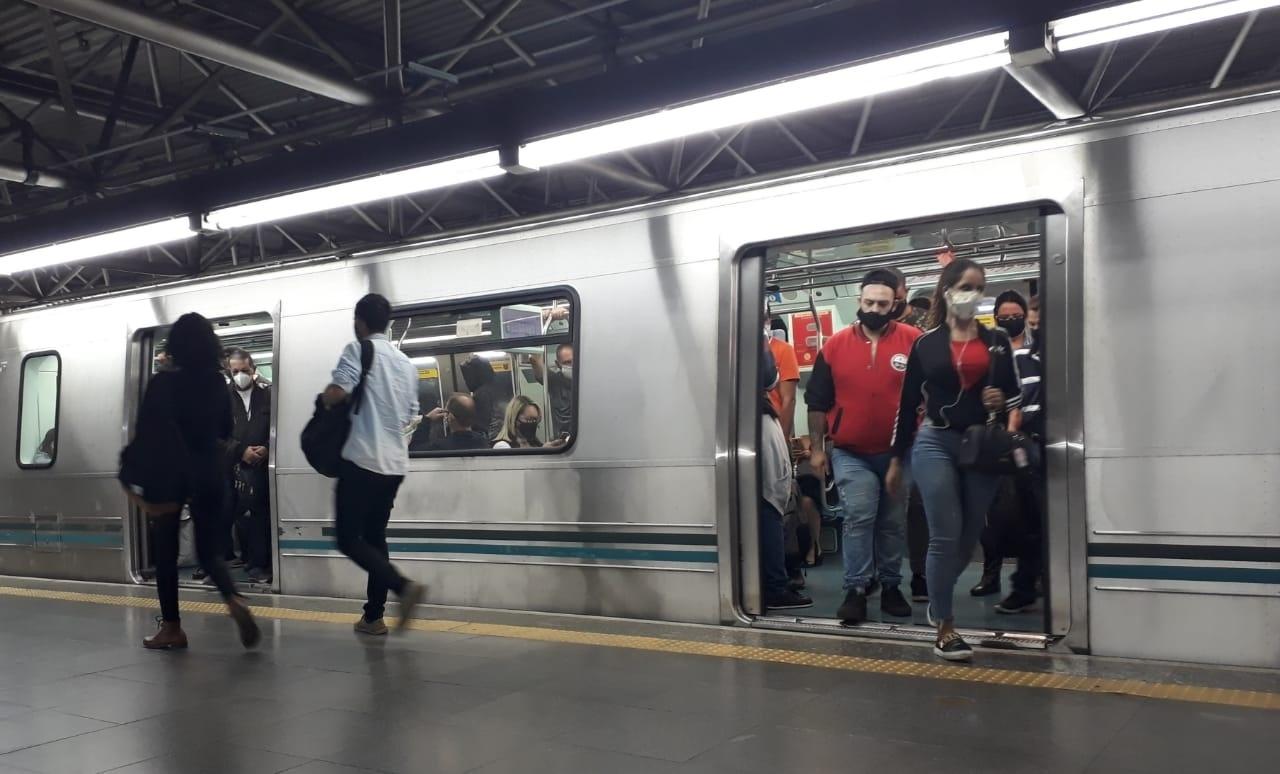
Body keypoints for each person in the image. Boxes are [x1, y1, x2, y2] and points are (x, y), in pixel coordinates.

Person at [888, 258, 1023, 661]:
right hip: (936, 442)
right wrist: (896, 459)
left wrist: (999, 400)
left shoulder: (996, 340)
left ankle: (938, 595)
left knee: (968, 537)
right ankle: (945, 627)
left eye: (979, 288)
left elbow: (1014, 395)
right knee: (945, 535)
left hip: (981, 444)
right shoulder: (926, 344)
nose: (973, 295)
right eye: (966, 286)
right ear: (947, 290)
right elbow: (907, 403)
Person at [134, 313, 260, 650]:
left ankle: (172, 628)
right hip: (210, 472)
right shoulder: (217, 382)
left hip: (170, 475)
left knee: (166, 553)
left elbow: (146, 432)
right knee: (209, 552)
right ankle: (233, 598)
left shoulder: (163, 382)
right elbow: (225, 430)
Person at [805, 269, 921, 624]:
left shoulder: (914, 341)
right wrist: (817, 449)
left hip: (898, 453)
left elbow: (931, 393)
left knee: (891, 522)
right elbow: (817, 401)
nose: (874, 309)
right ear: (859, 300)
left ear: (895, 304)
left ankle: (890, 586)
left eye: (882, 304)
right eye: (868, 302)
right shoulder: (834, 346)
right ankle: (856, 589)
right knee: (858, 517)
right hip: (851, 452)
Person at [324, 294, 426, 636]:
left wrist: (326, 399)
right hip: (393, 467)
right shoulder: (406, 364)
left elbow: (338, 392)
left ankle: (403, 587)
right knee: (374, 537)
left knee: (347, 538)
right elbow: (411, 416)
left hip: (362, 461)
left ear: (360, 322)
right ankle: (373, 617)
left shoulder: (358, 350)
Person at [994, 293, 1045, 615]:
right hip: (1019, 444)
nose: (1035, 330)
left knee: (1038, 519)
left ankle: (1030, 584)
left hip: (1045, 441)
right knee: (1024, 519)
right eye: (1033, 325)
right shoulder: (1004, 355)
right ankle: (1024, 584)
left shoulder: (1046, 355)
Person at [222, 349, 272, 584]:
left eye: (245, 370)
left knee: (261, 516)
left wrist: (267, 448)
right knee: (239, 516)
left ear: (254, 370)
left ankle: (260, 564)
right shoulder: (221, 399)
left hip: (262, 467)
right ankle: (247, 559)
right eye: (235, 371)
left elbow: (277, 427)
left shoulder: (268, 395)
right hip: (233, 466)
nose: (240, 375)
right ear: (229, 372)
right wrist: (240, 451)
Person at [529, 344, 574, 439]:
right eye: (567, 362)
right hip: (563, 441)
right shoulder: (554, 381)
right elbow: (535, 361)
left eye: (574, 361)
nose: (572, 365)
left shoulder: (588, 380)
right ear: (558, 364)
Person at [766, 316, 801, 441]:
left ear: (769, 321)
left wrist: (782, 438)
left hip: (773, 422)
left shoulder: (784, 350)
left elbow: (789, 399)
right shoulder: (737, 350)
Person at [492, 395, 565, 449]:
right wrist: (542, 452)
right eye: (529, 419)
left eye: (535, 420)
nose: (532, 423)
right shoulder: (502, 446)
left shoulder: (534, 443)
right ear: (514, 419)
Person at [425, 393, 490, 451]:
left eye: (446, 412)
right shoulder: (483, 443)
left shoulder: (440, 447)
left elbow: (419, 450)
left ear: (451, 417)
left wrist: (427, 419)